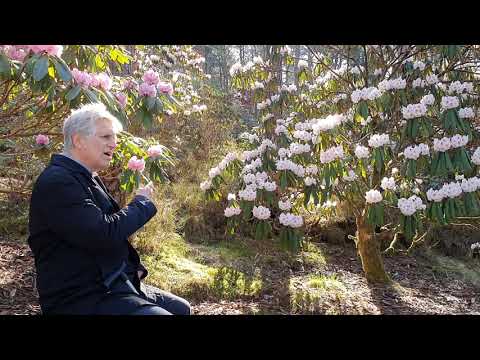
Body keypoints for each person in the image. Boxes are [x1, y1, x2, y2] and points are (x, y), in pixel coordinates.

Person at [28, 103, 191, 315]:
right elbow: (103, 233)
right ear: (78, 140)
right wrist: (141, 203)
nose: (114, 144)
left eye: (114, 138)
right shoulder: (58, 182)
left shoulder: (84, 177)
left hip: (110, 283)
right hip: (79, 297)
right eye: (105, 137)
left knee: (181, 308)